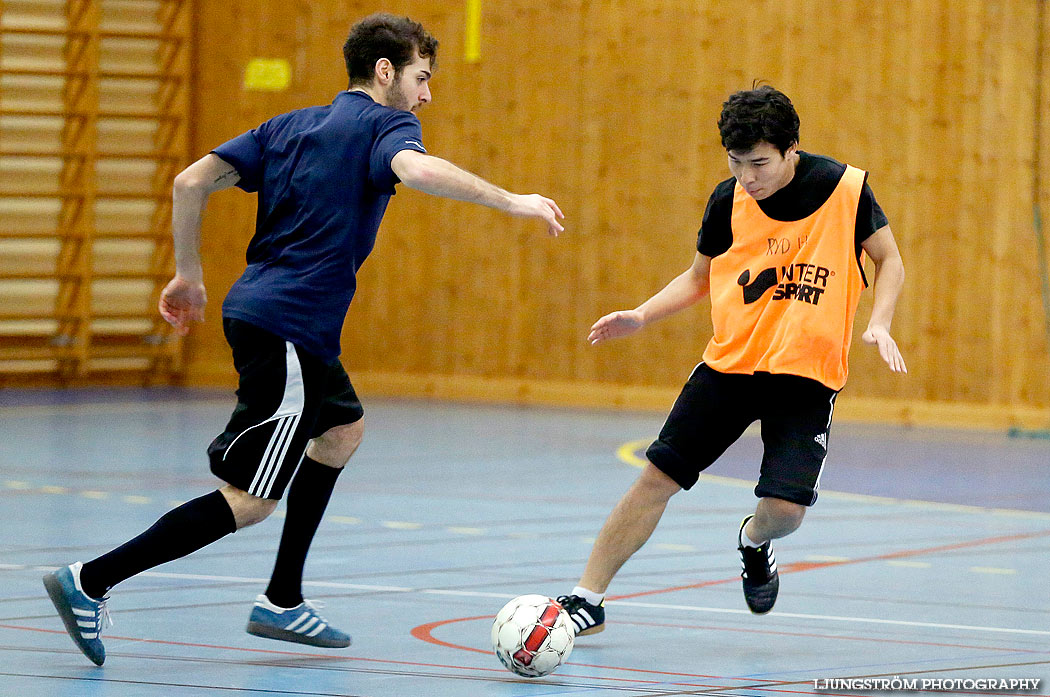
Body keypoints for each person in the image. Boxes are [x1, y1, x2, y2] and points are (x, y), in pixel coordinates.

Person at [42, 12, 564, 666]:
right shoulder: (387, 124)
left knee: (343, 430)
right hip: (290, 328)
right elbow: (419, 172)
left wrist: (187, 272)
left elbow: (189, 182)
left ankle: (283, 598)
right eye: (422, 77)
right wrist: (514, 200)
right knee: (250, 500)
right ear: (385, 72)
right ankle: (90, 580)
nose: (427, 94)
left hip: (271, 318)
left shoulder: (285, 127)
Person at [557, 85, 906, 636]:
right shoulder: (728, 200)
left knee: (785, 512)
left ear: (792, 149)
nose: (748, 176)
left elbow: (889, 260)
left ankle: (753, 540)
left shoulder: (845, 189)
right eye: (736, 162)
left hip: (805, 378)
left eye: (760, 163)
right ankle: (586, 599)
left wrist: (880, 321)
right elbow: (699, 277)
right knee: (657, 477)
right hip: (731, 368)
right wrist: (642, 315)